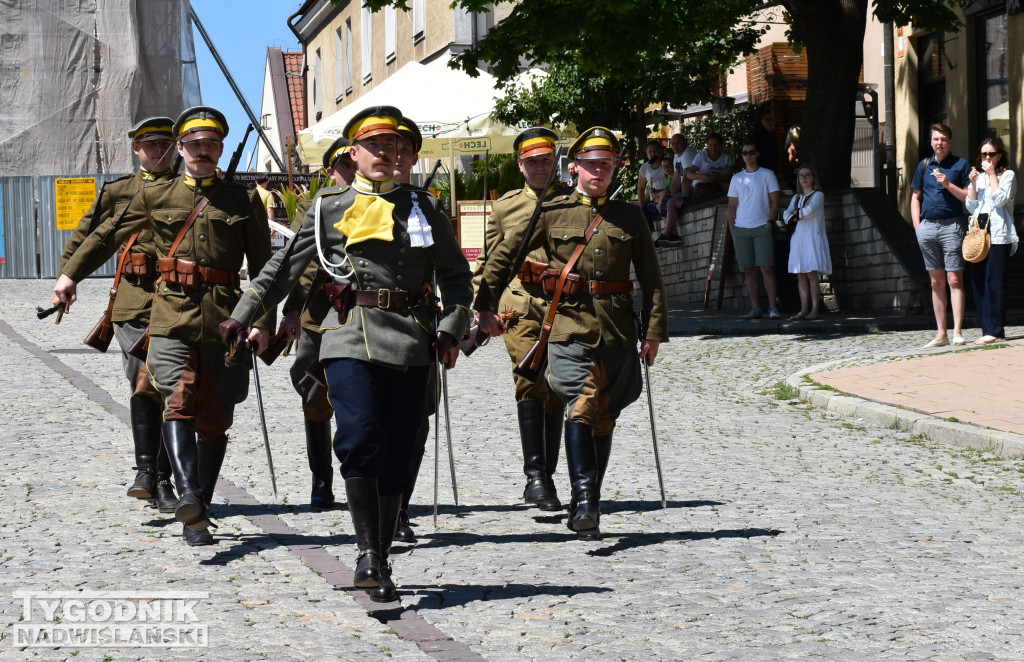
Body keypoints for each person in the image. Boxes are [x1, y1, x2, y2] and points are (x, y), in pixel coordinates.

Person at [225, 106, 472, 602]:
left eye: (394, 146)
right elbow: (283, 266)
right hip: (347, 334)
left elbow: (457, 277)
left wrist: (451, 326)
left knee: (401, 450)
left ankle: (380, 548)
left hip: (411, 337)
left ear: (405, 154)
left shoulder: (424, 206)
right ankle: (369, 556)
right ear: (354, 153)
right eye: (375, 146)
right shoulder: (327, 207)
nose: (386, 153)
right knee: (359, 437)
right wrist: (244, 312)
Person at [55, 106, 275, 547]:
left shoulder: (242, 200)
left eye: (211, 144)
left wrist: (262, 321)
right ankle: (188, 497)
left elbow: (265, 266)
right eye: (194, 145)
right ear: (181, 149)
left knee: (215, 417)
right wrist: (70, 274)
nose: (203, 151)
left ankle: (201, 505)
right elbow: (105, 235)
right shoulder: (157, 195)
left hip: (225, 318)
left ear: (220, 148)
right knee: (175, 399)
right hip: (170, 314)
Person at [475, 126, 668, 541]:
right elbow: (503, 258)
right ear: (576, 167)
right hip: (565, 326)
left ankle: (590, 494)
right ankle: (585, 502)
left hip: (616, 330)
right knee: (581, 404)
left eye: (607, 164)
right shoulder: (552, 212)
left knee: (606, 414)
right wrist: (484, 304)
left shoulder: (630, 216)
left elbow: (652, 280)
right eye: (592, 164)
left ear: (615, 168)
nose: (599, 171)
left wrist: (653, 332)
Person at [57, 116, 178, 513]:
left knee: (172, 384)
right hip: (134, 300)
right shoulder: (121, 191)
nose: (158, 151)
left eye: (164, 144)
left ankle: (162, 477)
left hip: (178, 300)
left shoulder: (189, 189)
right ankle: (153, 474)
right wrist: (67, 275)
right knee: (143, 380)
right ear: (136, 149)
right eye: (150, 145)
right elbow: (90, 235)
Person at [471, 126, 567, 516]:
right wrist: (482, 307)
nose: (541, 167)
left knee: (559, 386)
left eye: (546, 160)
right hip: (521, 305)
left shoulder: (573, 200)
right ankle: (536, 478)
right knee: (530, 381)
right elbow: (488, 261)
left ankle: (550, 472)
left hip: (565, 306)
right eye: (533, 162)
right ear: (520, 164)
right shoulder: (505, 206)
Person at [277, 136, 359, 509]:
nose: (352, 172)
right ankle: (321, 479)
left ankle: (362, 479)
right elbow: (301, 263)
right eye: (345, 166)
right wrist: (291, 310)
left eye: (355, 164)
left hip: (364, 315)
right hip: (317, 314)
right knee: (314, 396)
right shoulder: (317, 207)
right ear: (330, 171)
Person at [911, 122, 971, 348]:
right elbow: (916, 197)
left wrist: (947, 184)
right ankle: (941, 334)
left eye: (944, 139)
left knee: (954, 279)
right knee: (936, 282)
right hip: (927, 227)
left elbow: (967, 197)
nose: (940, 143)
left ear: (950, 142)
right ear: (931, 141)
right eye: (936, 139)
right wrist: (918, 227)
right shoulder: (924, 165)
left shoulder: (961, 165)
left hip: (951, 226)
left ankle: (957, 332)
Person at [966, 136, 1017, 344]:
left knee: (994, 282)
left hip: (997, 232)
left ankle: (995, 330)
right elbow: (971, 206)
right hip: (979, 232)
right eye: (983, 154)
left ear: (1000, 155)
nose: (987, 157)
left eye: (991, 154)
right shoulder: (979, 177)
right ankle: (988, 329)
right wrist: (972, 184)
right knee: (978, 282)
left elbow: (1001, 199)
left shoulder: (1008, 175)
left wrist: (991, 175)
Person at [728, 142, 781, 319]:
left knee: (766, 267)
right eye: (745, 153)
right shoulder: (736, 178)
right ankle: (755, 306)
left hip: (762, 226)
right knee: (748, 269)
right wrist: (732, 227)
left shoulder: (767, 174)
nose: (748, 156)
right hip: (741, 228)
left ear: (757, 154)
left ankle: (773, 306)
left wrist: (770, 223)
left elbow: (775, 200)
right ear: (742, 156)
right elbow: (732, 205)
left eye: (751, 152)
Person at [659, 133, 735, 248]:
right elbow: (688, 175)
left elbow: (730, 176)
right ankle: (670, 234)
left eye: (716, 145)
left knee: (731, 188)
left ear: (721, 146)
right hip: (702, 185)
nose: (713, 148)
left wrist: (716, 178)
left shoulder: (726, 157)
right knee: (666, 203)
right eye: (710, 145)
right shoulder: (701, 156)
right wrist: (703, 177)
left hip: (719, 184)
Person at [785, 164, 831, 320]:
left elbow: (809, 212)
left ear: (813, 178)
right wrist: (795, 215)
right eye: (801, 175)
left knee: (811, 274)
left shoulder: (818, 195)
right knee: (800, 275)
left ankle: (815, 309)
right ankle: (804, 309)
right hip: (798, 238)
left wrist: (795, 214)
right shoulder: (796, 198)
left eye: (807, 175)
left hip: (812, 237)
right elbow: (786, 214)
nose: (803, 178)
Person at [658, 133, 698, 246]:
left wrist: (683, 198)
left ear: (685, 142)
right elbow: (676, 179)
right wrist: (672, 195)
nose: (675, 146)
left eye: (678, 143)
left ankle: (666, 234)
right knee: (661, 204)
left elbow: (686, 179)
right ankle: (673, 235)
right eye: (673, 143)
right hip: (684, 190)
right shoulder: (676, 157)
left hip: (693, 189)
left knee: (670, 203)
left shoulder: (688, 154)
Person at [637, 139, 668, 231]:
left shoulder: (668, 163)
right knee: (645, 210)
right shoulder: (645, 168)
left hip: (668, 196)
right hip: (654, 201)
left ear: (661, 151)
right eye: (650, 152)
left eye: (655, 151)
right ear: (646, 154)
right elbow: (641, 188)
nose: (653, 154)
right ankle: (650, 235)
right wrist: (642, 205)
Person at [750, 108, 779, 176]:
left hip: (772, 169)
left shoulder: (772, 134)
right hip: (761, 169)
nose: (770, 122)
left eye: (772, 119)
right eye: (767, 120)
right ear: (761, 121)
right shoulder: (757, 135)